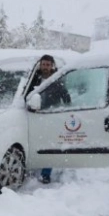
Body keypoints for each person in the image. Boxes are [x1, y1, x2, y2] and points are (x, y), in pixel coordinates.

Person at [27, 54, 71, 184]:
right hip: (34, 114)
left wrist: (68, 109)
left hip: (51, 115)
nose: (45, 67)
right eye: (43, 64)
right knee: (34, 142)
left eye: (48, 64)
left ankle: (46, 173)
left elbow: (66, 96)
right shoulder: (34, 78)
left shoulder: (57, 78)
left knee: (49, 144)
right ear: (40, 65)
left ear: (52, 65)